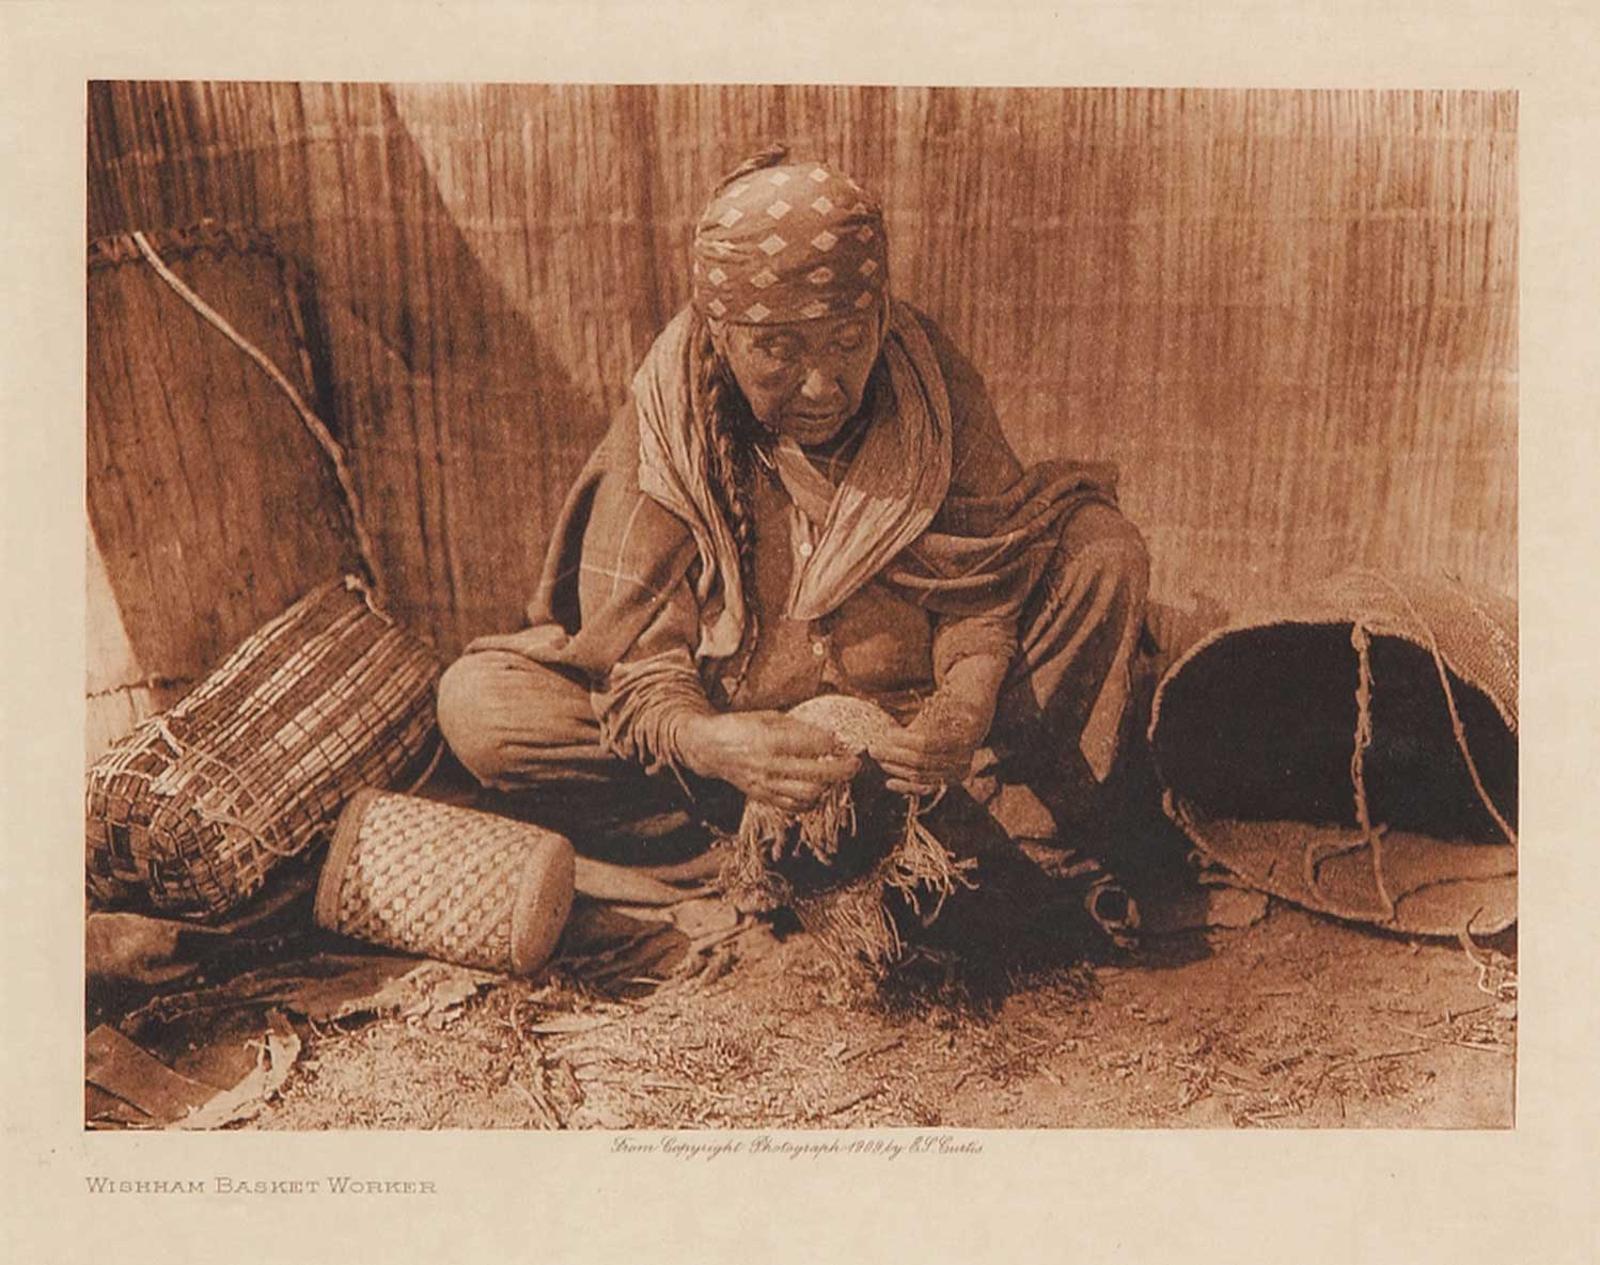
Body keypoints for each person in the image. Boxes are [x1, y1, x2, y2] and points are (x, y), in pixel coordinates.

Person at [437, 146, 1151, 881]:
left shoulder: (929, 388)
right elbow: (637, 656)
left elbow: (983, 573)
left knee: (1102, 554)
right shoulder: (668, 419)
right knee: (481, 703)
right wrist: (713, 742)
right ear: (721, 334)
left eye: (846, 342)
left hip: (906, 733)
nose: (819, 386)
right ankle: (751, 855)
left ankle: (966, 843)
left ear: (880, 315)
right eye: (777, 350)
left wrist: (961, 709)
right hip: (738, 746)